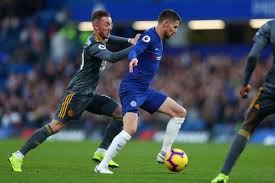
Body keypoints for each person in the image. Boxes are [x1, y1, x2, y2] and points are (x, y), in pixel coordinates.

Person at [8, 10, 140, 172]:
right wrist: (135, 46)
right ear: (96, 27)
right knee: (55, 126)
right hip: (76, 94)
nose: (110, 28)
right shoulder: (94, 45)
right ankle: (18, 155)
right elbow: (112, 57)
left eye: (110, 24)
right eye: (106, 24)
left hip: (89, 94)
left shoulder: (100, 38)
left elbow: (110, 38)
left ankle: (101, 152)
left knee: (120, 114)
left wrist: (129, 40)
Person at [95, 9, 187, 174]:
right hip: (131, 89)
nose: (174, 31)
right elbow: (136, 49)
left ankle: (164, 153)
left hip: (145, 90)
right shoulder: (150, 36)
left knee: (179, 112)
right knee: (130, 129)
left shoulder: (159, 40)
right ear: (165, 23)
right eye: (174, 27)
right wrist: (134, 57)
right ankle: (102, 166)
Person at [211, 19, 275, 183]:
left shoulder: (270, 26)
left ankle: (223, 175)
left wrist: (245, 82)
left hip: (270, 90)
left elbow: (253, 56)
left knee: (248, 126)